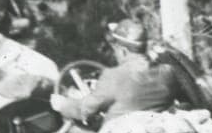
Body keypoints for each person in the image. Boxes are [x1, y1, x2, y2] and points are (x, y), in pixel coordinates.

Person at [49, 19, 193, 125]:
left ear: (123, 51)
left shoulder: (112, 76)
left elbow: (84, 110)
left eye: (115, 50)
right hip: (159, 132)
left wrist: (63, 105)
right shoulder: (168, 72)